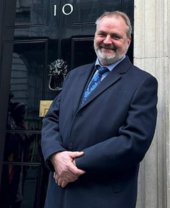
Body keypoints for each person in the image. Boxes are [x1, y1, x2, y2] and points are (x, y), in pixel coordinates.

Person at [41, 11, 158, 208]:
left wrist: (72, 165)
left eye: (116, 36)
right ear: (95, 36)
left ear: (128, 42)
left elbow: (134, 142)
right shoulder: (74, 75)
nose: (107, 41)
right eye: (102, 34)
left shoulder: (142, 83)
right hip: (58, 194)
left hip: (102, 197)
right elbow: (51, 119)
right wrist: (55, 155)